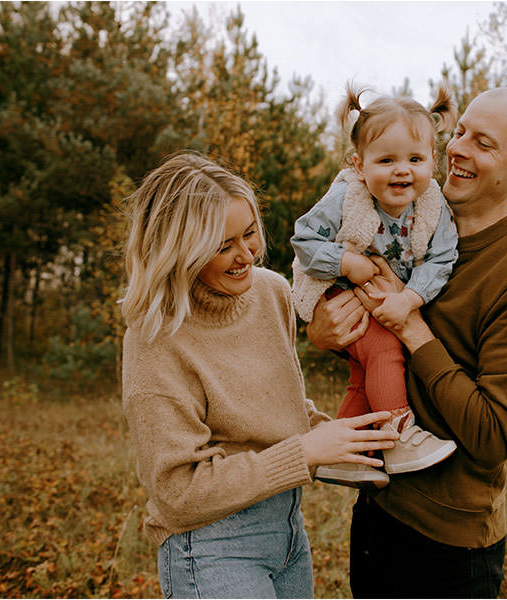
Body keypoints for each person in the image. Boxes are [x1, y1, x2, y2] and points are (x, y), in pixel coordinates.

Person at [307, 87, 507, 598]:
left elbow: (494, 437)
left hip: (447, 546)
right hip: (377, 509)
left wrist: (414, 326)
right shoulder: (411, 218)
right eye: (461, 132)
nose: (459, 149)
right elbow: (361, 324)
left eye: (486, 144)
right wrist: (323, 331)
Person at [119, 152, 398, 599]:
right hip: (210, 546)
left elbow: (281, 408)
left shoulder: (272, 292)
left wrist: (345, 437)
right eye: (221, 244)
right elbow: (177, 491)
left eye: (249, 234)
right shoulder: (156, 337)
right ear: (179, 248)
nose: (245, 255)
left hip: (287, 533)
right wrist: (305, 452)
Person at [290, 84, 459, 489]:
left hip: (387, 299)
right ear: (360, 165)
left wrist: (410, 299)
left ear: (433, 162)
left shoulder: (434, 207)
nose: (402, 170)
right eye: (386, 160)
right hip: (334, 288)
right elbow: (304, 238)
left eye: (415, 159)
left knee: (364, 373)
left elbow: (442, 258)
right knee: (384, 349)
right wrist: (349, 262)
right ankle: (398, 435)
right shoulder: (348, 196)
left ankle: (347, 454)